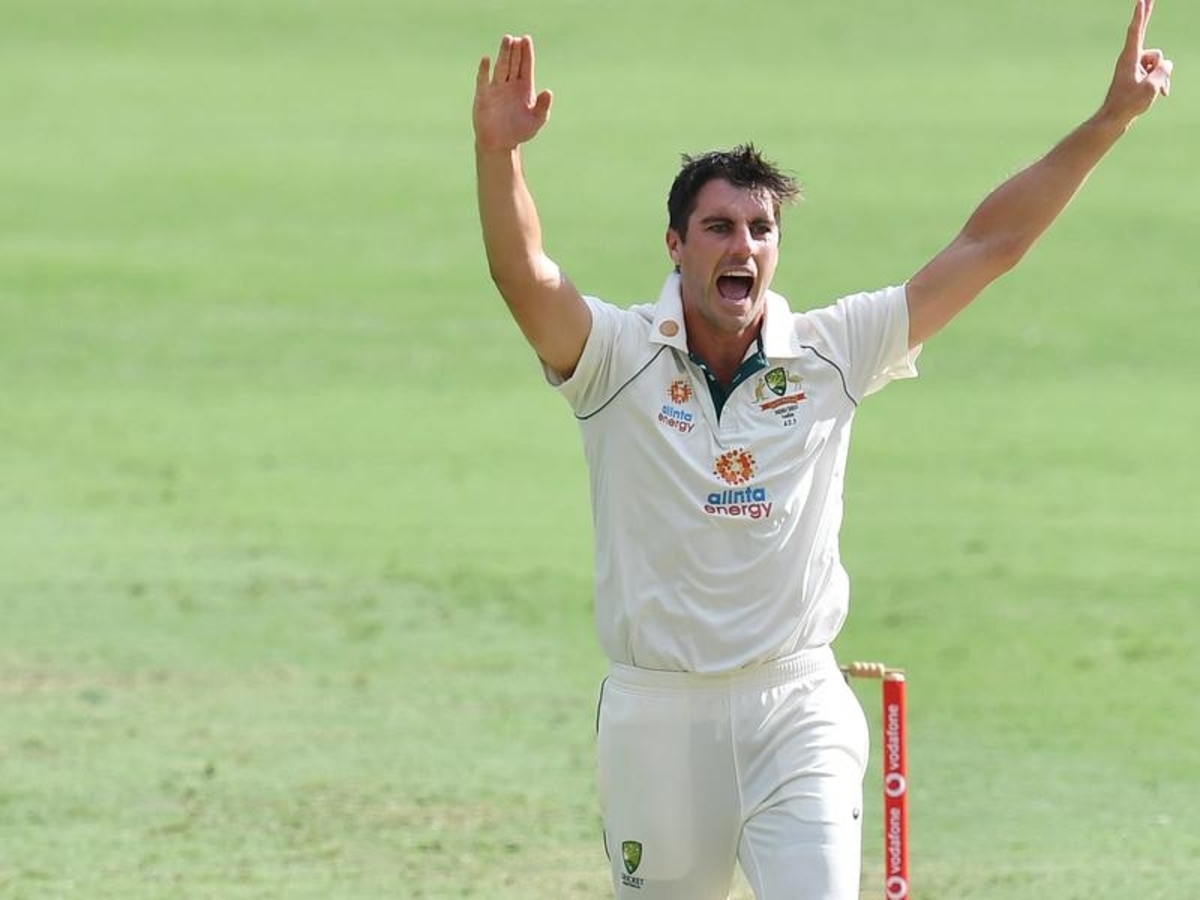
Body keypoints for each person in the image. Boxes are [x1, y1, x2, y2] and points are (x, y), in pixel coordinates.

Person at [472, 3, 1172, 899]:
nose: (743, 246)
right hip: (658, 717)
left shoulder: (832, 352)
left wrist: (1109, 120)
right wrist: (500, 154)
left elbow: (989, 244)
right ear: (675, 244)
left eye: (760, 230)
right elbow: (524, 274)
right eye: (719, 227)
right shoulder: (614, 356)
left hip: (796, 707)